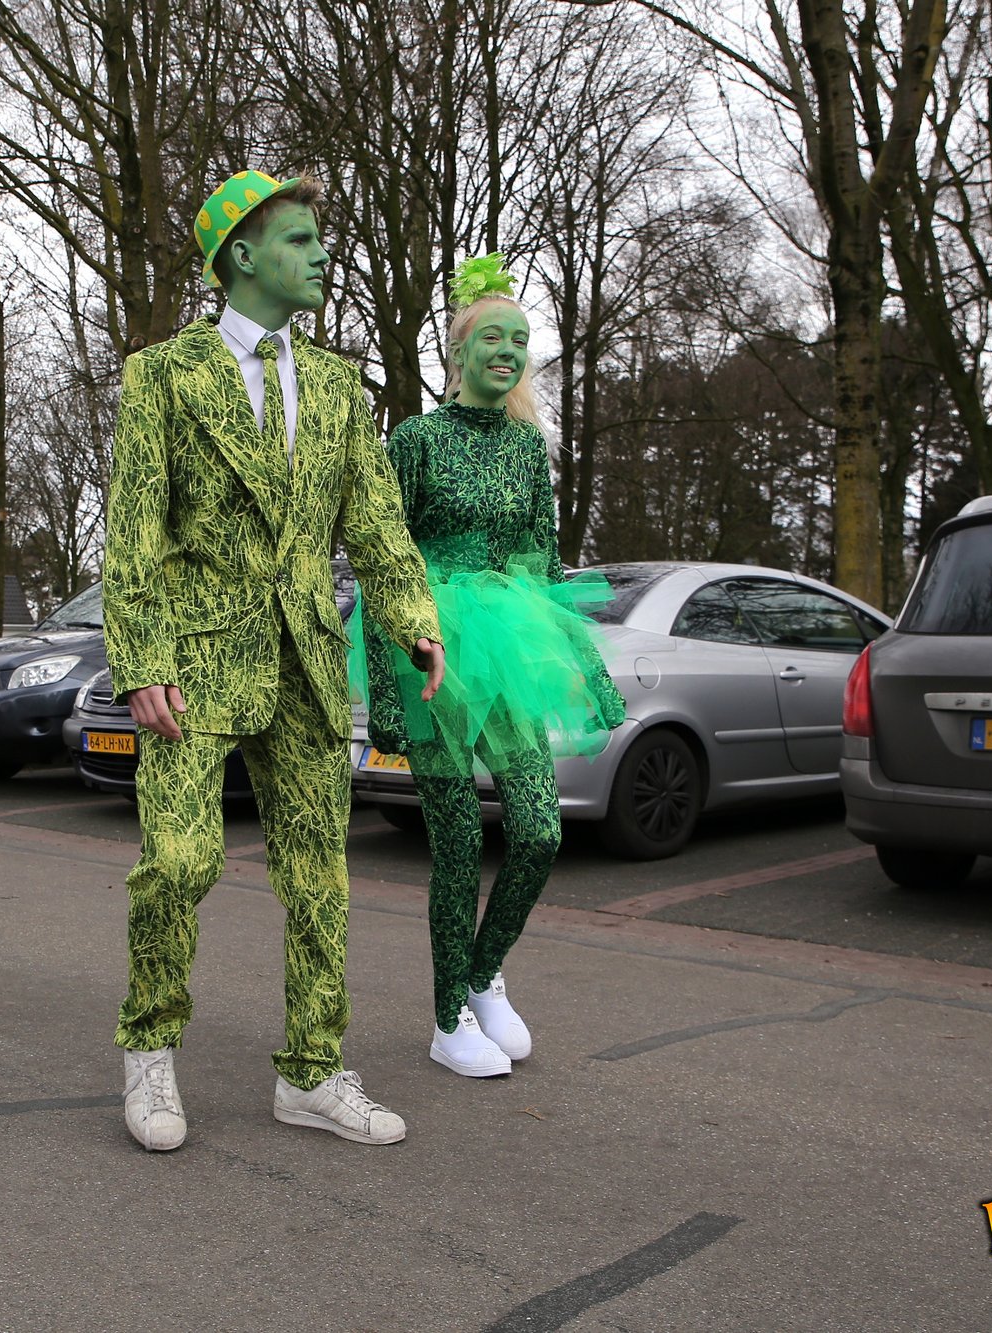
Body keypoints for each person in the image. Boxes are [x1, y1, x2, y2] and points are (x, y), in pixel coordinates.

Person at [106, 171, 446, 1151]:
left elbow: (375, 522)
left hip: (305, 656)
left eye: (318, 238)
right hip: (193, 660)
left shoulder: (338, 386)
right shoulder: (164, 373)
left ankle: (310, 1072)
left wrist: (411, 616)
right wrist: (140, 656)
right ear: (242, 255)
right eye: (299, 239)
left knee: (319, 877)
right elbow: (132, 530)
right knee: (180, 860)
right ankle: (149, 1046)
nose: (321, 253)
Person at [357, 255, 626, 1078]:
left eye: (520, 340)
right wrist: (385, 686)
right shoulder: (414, 439)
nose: (508, 352)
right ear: (459, 349)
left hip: (507, 646)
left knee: (540, 830)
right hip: (428, 653)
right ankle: (447, 1020)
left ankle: (483, 974)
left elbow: (545, 560)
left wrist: (585, 664)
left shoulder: (525, 447)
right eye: (493, 338)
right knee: (458, 841)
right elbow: (382, 558)